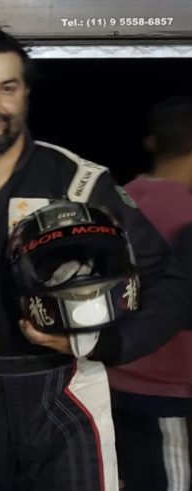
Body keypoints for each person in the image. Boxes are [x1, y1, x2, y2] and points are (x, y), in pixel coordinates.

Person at [0, 23, 192, 491]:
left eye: (7, 88)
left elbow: (169, 285)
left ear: (25, 95)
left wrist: (109, 345)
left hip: (68, 391)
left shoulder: (80, 183)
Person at [108, 96, 192, 491]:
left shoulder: (119, 200)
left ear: (153, 143)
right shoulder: (187, 213)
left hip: (112, 381)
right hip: (167, 393)